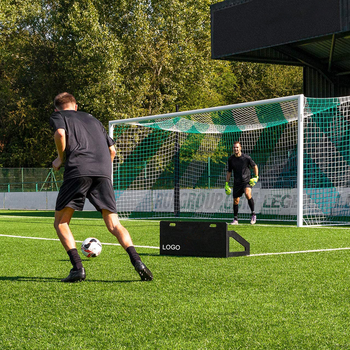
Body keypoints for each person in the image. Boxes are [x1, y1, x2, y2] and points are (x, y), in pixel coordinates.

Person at [50, 92, 153, 282]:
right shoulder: (92, 119)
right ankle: (138, 262)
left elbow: (60, 133)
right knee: (114, 224)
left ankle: (77, 269)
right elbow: (112, 150)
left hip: (78, 171)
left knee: (61, 223)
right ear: (76, 106)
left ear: (57, 108)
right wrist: (103, 170)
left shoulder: (59, 116)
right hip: (103, 172)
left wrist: (60, 158)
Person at [225, 141, 259, 225]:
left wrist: (256, 177)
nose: (235, 149)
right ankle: (235, 219)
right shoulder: (231, 159)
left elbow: (255, 166)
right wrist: (226, 183)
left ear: (240, 148)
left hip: (246, 181)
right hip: (237, 182)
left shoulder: (246, 158)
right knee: (236, 201)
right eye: (234, 147)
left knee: (247, 194)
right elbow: (229, 172)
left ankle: (253, 214)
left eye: (237, 147)